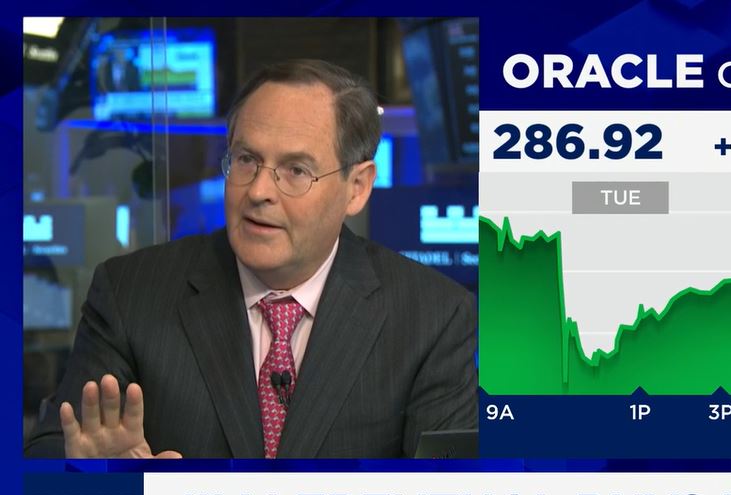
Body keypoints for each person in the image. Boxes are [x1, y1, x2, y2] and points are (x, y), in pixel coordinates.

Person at [25, 59, 477, 458]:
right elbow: (48, 454)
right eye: (246, 159)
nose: (259, 191)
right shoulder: (131, 292)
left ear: (356, 188)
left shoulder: (433, 316)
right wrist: (102, 480)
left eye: (296, 170)